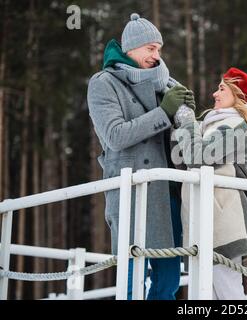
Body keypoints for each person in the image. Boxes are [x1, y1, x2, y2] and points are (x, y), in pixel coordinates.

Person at [87, 13, 195, 300]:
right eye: (150, 48)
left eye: (159, 48)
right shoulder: (104, 83)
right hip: (131, 193)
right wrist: (164, 112)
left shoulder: (167, 85)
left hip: (169, 192)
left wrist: (187, 118)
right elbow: (116, 136)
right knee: (132, 281)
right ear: (130, 48)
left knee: (169, 282)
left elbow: (182, 146)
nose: (157, 55)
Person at [172, 67, 247, 299]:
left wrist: (186, 120)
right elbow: (181, 156)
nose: (214, 93)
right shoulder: (210, 125)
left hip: (223, 224)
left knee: (228, 291)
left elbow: (197, 156)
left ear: (238, 95)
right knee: (205, 294)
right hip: (204, 221)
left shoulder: (238, 126)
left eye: (221, 88)